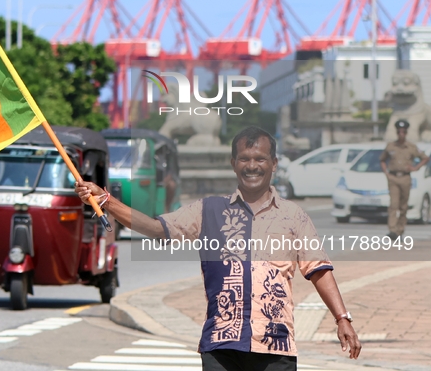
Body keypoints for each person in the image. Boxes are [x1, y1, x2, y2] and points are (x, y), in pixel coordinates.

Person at [75, 126, 361, 370]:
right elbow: (155, 227)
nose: (252, 166)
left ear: (273, 163)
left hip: (276, 345)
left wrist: (342, 318)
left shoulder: (293, 216)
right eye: (245, 159)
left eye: (260, 159)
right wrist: (107, 201)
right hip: (221, 345)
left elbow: (319, 269)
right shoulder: (209, 210)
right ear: (233, 163)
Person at [379, 119, 429, 241]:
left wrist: (415, 168)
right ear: (397, 132)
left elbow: (425, 158)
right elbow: (382, 159)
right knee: (393, 205)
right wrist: (386, 172)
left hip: (406, 178)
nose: (401, 134)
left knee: (403, 206)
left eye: (404, 131)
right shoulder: (391, 146)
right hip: (393, 177)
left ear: (406, 133)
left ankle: (400, 230)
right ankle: (392, 231)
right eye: (399, 131)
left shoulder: (411, 147)